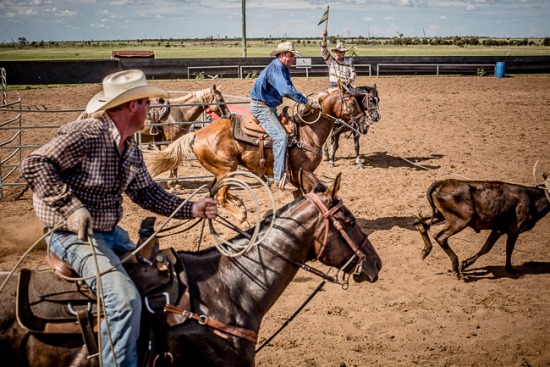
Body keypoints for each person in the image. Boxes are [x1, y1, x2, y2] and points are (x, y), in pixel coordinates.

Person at [20, 69, 217, 367]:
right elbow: (35, 164)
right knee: (123, 301)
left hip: (110, 233)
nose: (151, 110)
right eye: (147, 103)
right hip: (71, 235)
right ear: (131, 106)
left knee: (167, 280)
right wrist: (71, 208)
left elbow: (148, 194)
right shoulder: (85, 134)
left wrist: (192, 208)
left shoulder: (130, 152)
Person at [249, 41, 321, 189]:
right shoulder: (277, 67)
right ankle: (279, 177)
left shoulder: (282, 68)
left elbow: (290, 87)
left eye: (293, 57)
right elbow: (286, 90)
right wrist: (305, 101)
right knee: (281, 136)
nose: (293, 59)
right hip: (262, 108)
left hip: (268, 107)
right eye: (290, 56)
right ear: (281, 55)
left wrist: (301, 96)